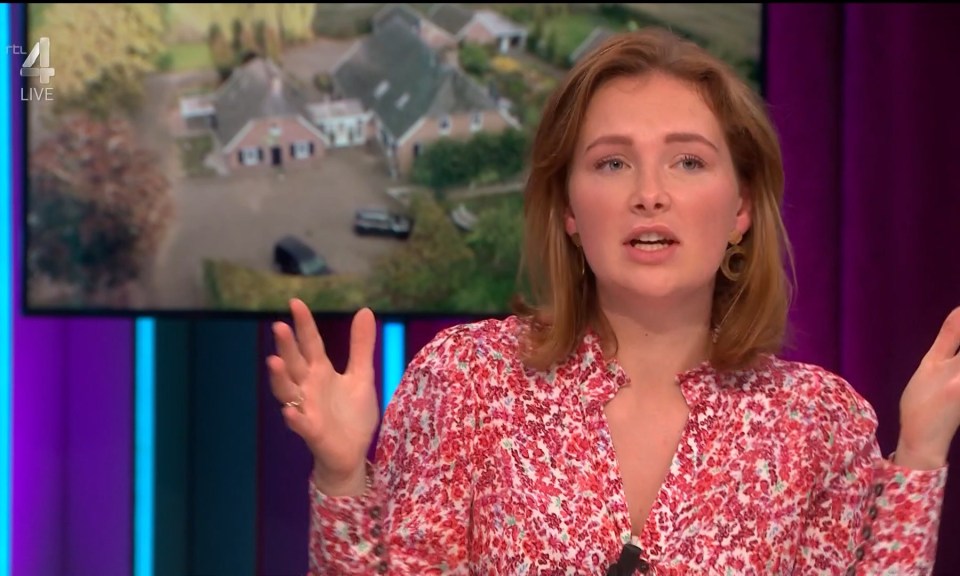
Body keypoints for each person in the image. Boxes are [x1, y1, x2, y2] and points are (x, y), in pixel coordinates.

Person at [267, 27, 957, 575]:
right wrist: (342, 475)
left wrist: (921, 455)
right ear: (570, 209)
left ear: (742, 207)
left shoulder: (820, 423)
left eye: (688, 161)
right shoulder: (465, 381)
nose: (649, 194)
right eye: (612, 162)